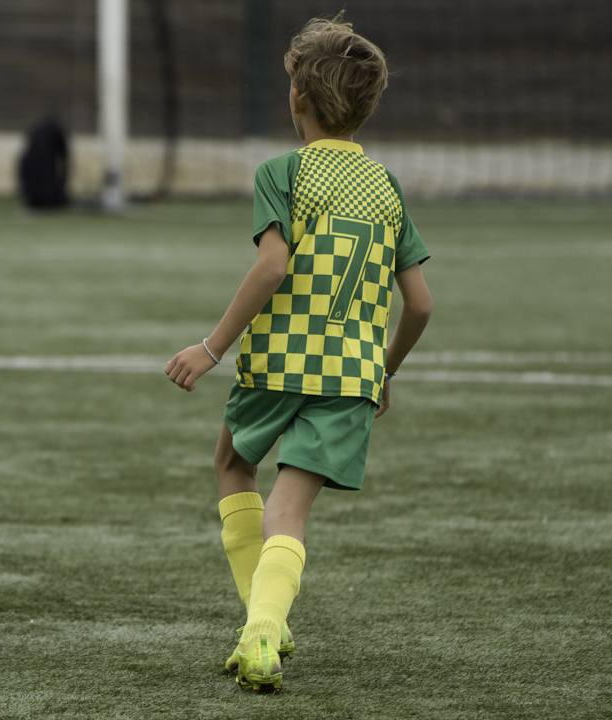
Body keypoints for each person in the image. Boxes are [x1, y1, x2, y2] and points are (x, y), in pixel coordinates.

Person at [164, 15, 433, 691]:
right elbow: (421, 304)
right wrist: (384, 369)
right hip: (353, 375)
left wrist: (210, 347)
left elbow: (271, 267)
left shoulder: (282, 172)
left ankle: (263, 626)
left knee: (233, 464)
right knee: (290, 511)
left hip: (279, 362)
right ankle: (267, 625)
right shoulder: (387, 187)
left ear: (297, 98)